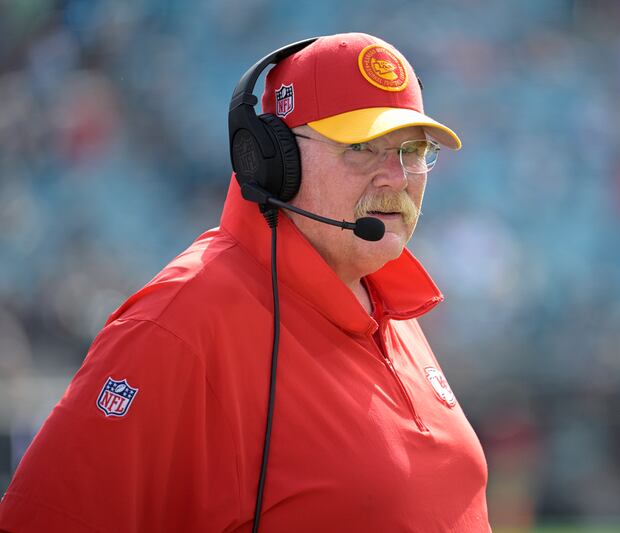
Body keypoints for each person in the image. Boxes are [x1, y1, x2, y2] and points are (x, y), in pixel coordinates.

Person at [0, 33, 490, 532]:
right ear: (274, 161)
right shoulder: (178, 325)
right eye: (362, 147)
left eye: (412, 150)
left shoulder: (384, 300)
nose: (397, 175)